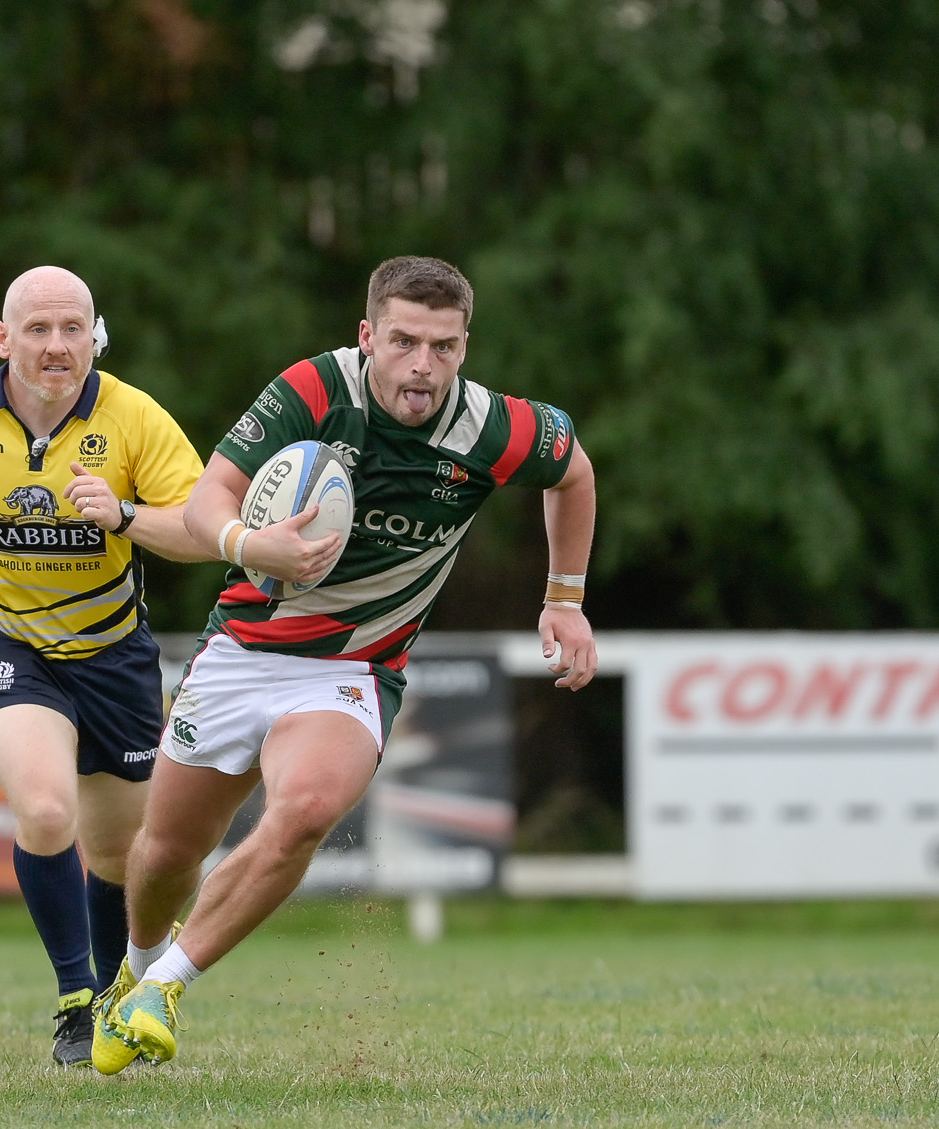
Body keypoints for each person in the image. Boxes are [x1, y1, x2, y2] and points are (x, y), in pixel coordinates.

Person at [91, 255, 598, 1074]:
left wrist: (564, 596)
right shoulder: (315, 391)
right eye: (403, 342)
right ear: (368, 336)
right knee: (164, 852)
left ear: (466, 345)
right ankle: (135, 967)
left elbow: (571, 471)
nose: (423, 366)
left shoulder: (491, 428)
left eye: (443, 346)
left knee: (305, 810)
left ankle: (165, 990)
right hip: (244, 649)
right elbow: (208, 498)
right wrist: (255, 545)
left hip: (353, 669)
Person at [0, 266, 210, 1066]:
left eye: (72, 330)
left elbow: (200, 529)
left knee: (128, 855)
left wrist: (123, 514)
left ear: (96, 335)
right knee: (48, 812)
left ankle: (122, 989)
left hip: (114, 652)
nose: (57, 347)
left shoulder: (133, 418)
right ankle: (74, 1000)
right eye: (38, 330)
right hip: (4, 642)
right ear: (3, 338)